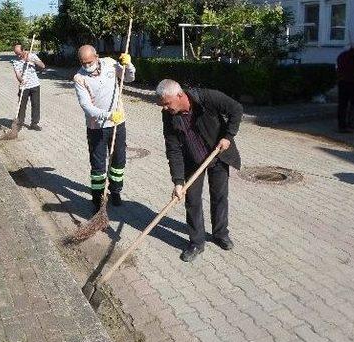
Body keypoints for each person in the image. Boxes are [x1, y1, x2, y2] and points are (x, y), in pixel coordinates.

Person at [156, 79, 243, 263]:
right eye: (162, 104)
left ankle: (220, 234)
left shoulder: (206, 98)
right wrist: (178, 181)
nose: (164, 108)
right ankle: (196, 242)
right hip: (192, 159)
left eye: (166, 103)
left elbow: (236, 109)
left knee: (219, 196)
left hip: (217, 154)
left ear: (179, 95)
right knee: (192, 200)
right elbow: (173, 148)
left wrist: (228, 136)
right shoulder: (169, 116)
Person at [74, 45, 135, 210]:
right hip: (97, 128)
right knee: (98, 166)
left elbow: (128, 78)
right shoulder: (79, 78)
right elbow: (86, 106)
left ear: (97, 56)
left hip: (118, 123)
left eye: (89, 61)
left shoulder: (109, 63)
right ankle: (97, 199)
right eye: (83, 63)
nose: (87, 65)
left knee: (118, 161)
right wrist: (107, 115)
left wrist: (128, 65)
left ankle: (115, 191)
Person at [11, 43, 45, 131]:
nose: (18, 55)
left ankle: (34, 124)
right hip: (24, 87)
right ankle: (19, 124)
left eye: (19, 53)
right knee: (21, 106)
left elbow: (43, 66)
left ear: (23, 50)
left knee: (35, 105)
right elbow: (17, 74)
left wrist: (32, 61)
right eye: (16, 53)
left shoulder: (32, 56)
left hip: (35, 85)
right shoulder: (15, 61)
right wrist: (21, 80)